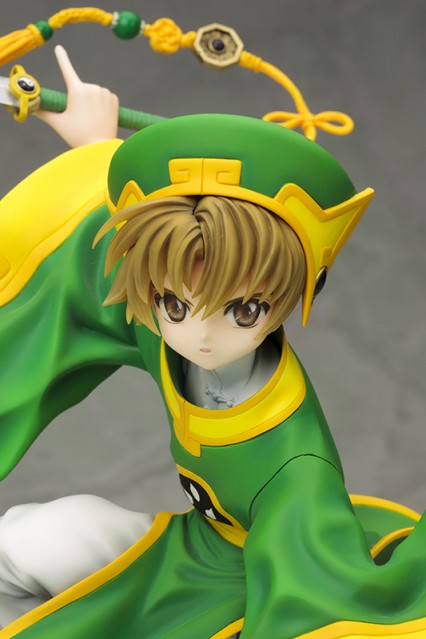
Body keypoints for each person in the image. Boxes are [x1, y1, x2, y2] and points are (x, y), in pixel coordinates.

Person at [0, 48, 425, 639]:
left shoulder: (295, 466)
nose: (201, 333)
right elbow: (98, 252)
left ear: (297, 293)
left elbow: (311, 602)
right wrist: (95, 146)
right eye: (174, 304)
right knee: (19, 541)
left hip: (262, 583)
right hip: (189, 552)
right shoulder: (162, 322)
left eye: (243, 310)